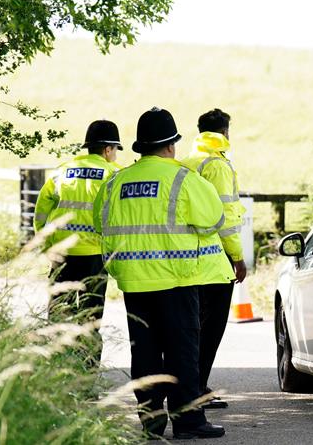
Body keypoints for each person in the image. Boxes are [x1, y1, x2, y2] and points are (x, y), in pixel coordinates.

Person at [93, 107, 234, 440]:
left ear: (140, 146)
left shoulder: (116, 180)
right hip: (177, 279)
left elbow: (101, 223)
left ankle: (151, 423)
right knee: (182, 352)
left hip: (134, 282)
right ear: (171, 145)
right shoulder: (184, 179)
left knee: (144, 353)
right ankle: (188, 421)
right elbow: (214, 219)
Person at [181, 108, 247, 410]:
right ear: (225, 132)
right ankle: (196, 389)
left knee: (193, 324)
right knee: (212, 325)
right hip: (214, 256)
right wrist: (236, 256)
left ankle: (192, 386)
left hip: (186, 255)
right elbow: (225, 216)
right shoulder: (218, 165)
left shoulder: (187, 161)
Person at [34, 119, 121, 332]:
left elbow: (41, 212)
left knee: (58, 317)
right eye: (116, 149)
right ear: (108, 149)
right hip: (95, 255)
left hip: (61, 254)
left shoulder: (62, 171)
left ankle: (56, 363)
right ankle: (88, 363)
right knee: (90, 318)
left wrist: (47, 247)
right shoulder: (114, 175)